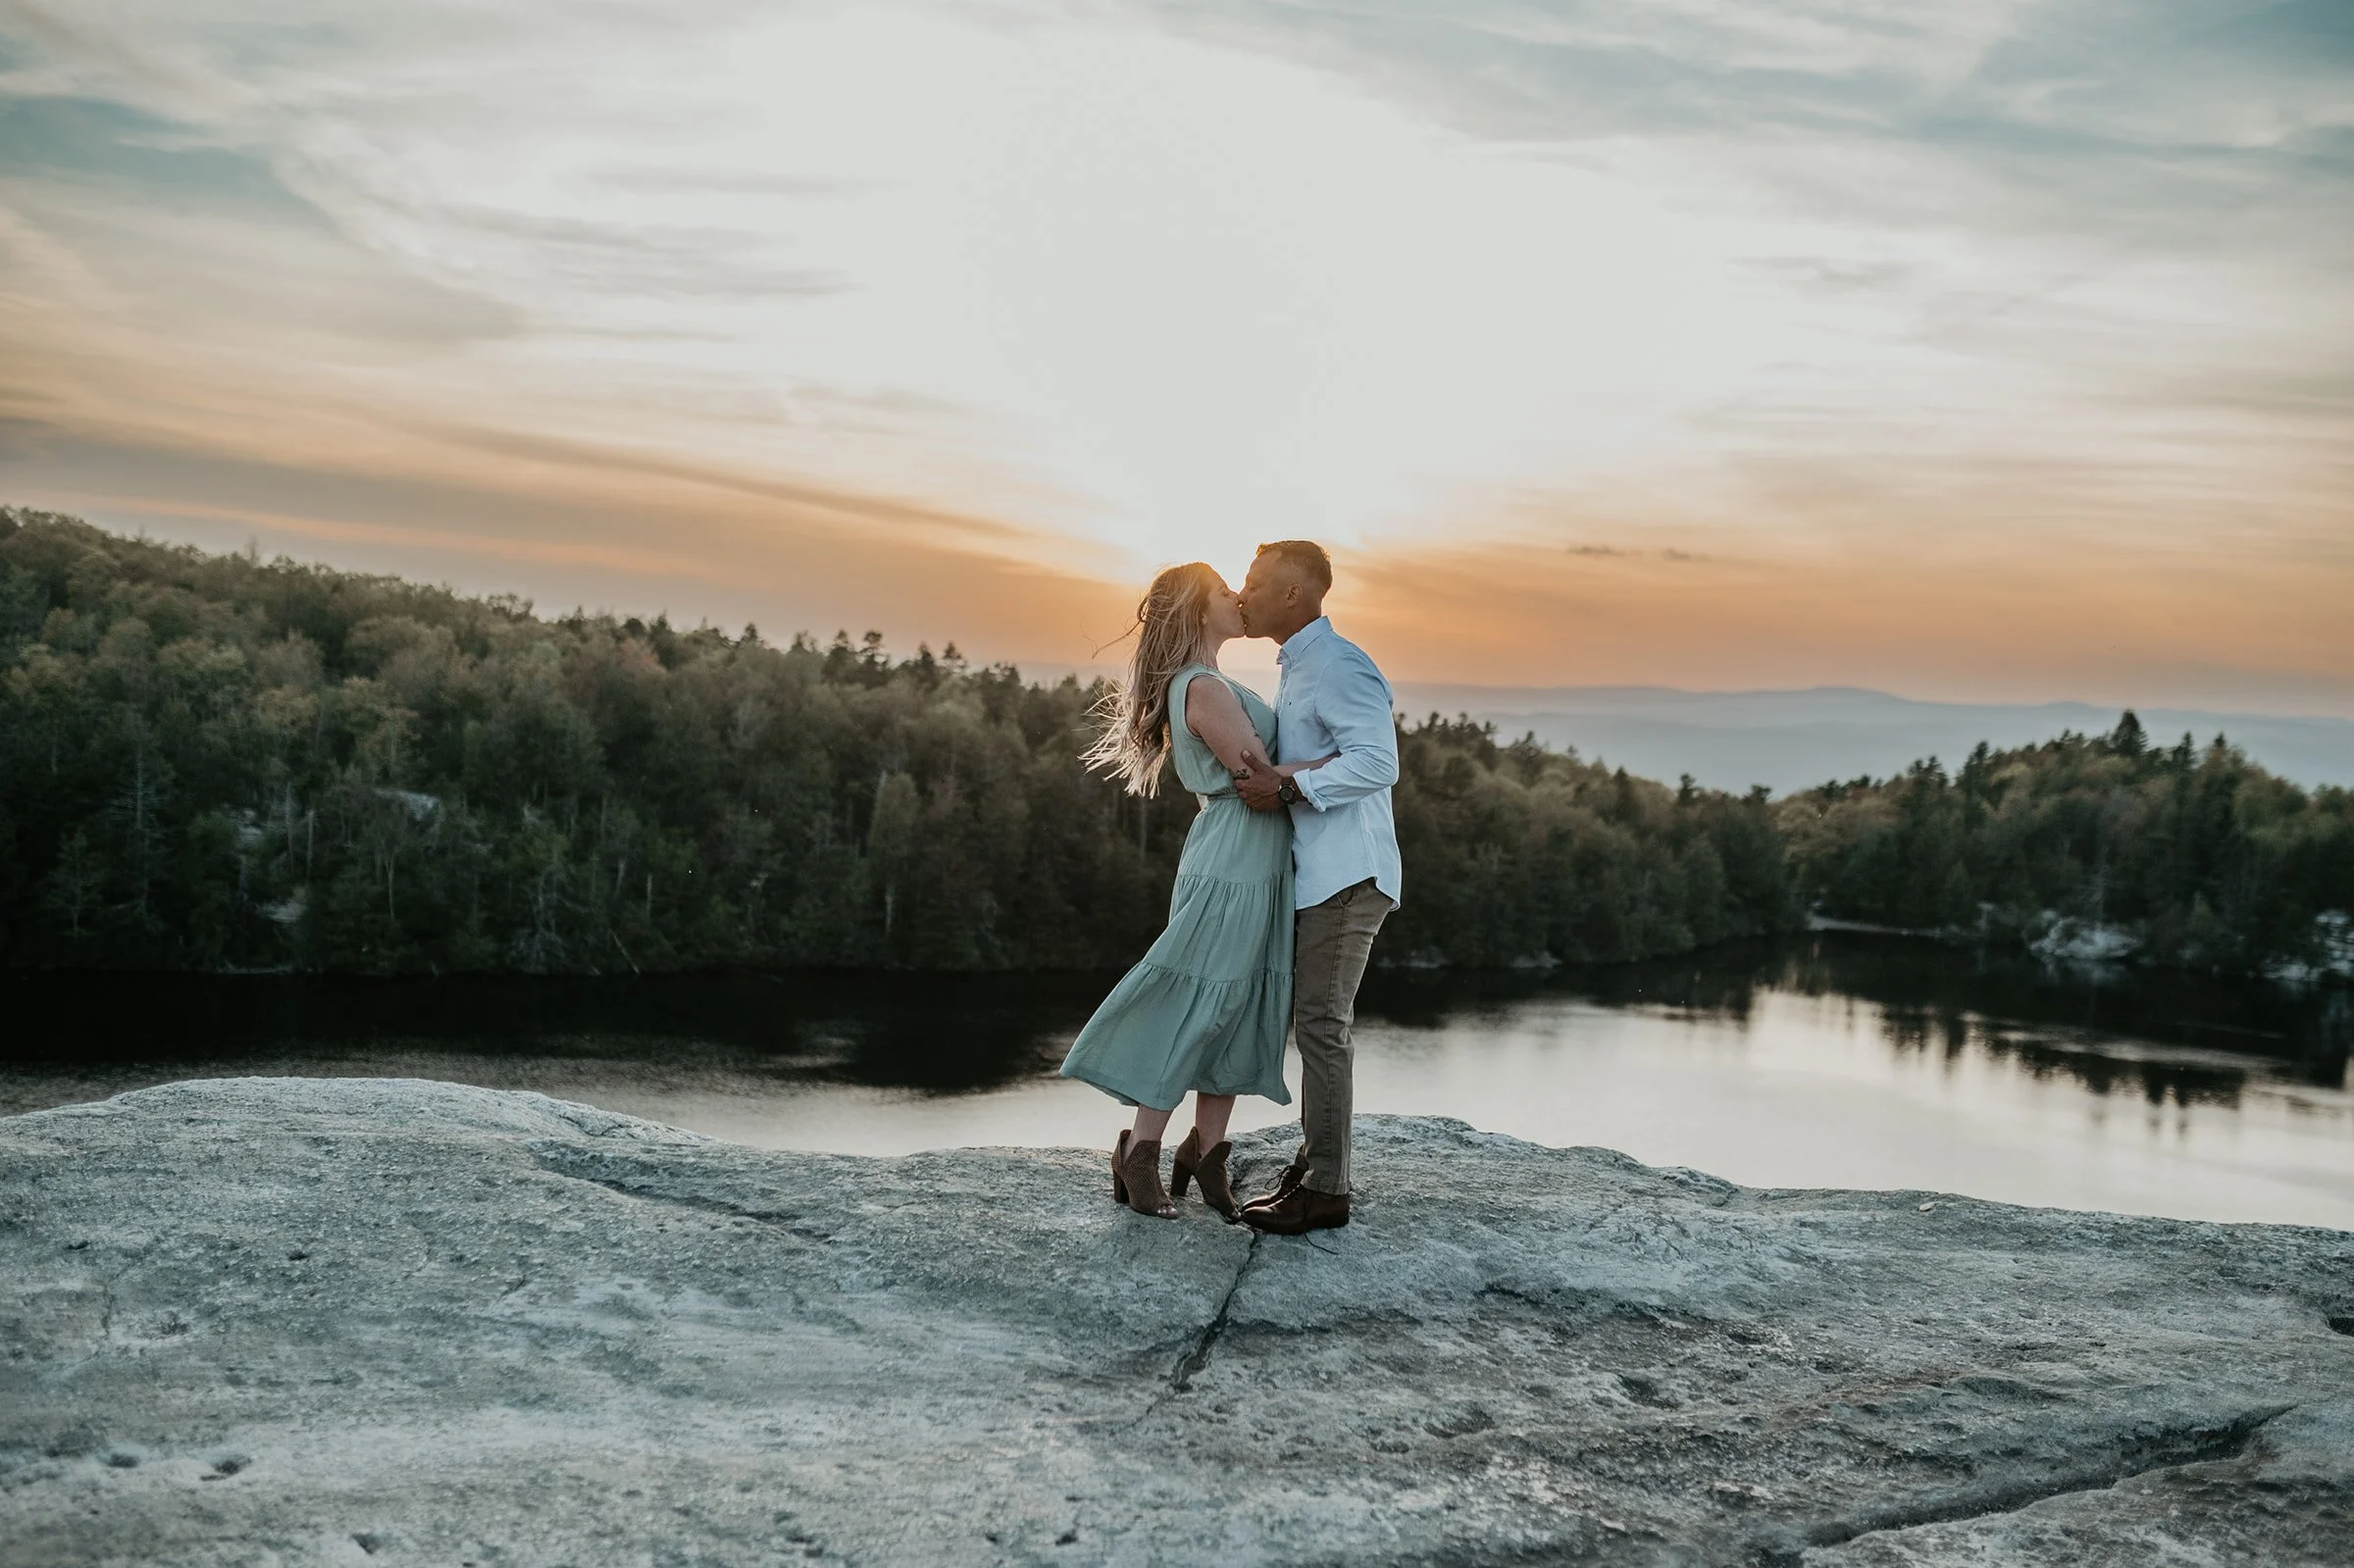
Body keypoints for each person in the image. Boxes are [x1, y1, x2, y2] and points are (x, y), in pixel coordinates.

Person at [1059, 563, 1333, 1220]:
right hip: (1234, 852)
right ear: (1197, 610)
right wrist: (1344, 762)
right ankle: (1140, 1151)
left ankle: (1206, 1155)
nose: (1239, 597)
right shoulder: (1203, 687)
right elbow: (1256, 777)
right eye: (1224, 592)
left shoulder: (1216, 680)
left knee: (1237, 1003)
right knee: (1197, 999)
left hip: (1258, 857)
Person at [1232, 540, 1401, 1236]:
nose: (1243, 594)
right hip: (1323, 873)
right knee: (1317, 1025)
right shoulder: (1300, 666)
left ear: (1293, 593)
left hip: (1348, 873)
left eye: (1254, 583)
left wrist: (1289, 785)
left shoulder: (1338, 664)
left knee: (1323, 1027)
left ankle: (1327, 1189)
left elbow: (1378, 762)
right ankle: (1315, 1165)